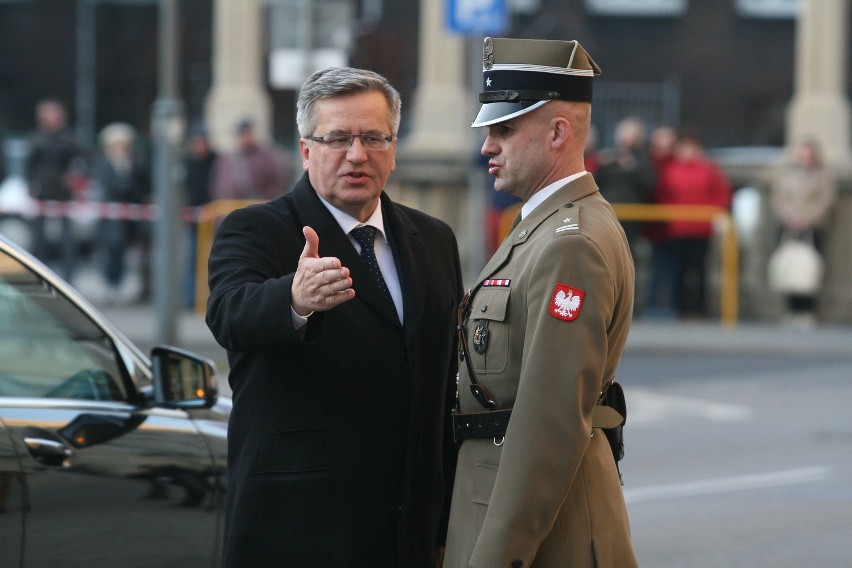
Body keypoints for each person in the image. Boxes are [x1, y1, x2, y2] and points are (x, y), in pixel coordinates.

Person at [205, 67, 463, 567]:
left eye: (373, 137)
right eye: (338, 138)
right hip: (300, 525)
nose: (357, 155)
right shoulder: (257, 228)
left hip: (407, 526)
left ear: (393, 145)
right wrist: (294, 298)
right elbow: (229, 314)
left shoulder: (433, 239)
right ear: (306, 151)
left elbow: (443, 385)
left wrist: (445, 523)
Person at [443, 37, 638, 568]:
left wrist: (498, 556)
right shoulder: (544, 225)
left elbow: (549, 420)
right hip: (512, 512)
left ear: (558, 133)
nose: (487, 146)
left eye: (504, 130)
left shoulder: (569, 241)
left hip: (546, 536)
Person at [652, 130, 732, 319]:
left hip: (701, 228)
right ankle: (679, 308)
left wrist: (711, 212)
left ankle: (699, 310)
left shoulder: (708, 169)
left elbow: (721, 194)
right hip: (678, 228)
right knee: (678, 270)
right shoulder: (670, 170)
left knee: (699, 271)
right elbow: (663, 195)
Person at [769, 137, 836, 326]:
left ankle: (807, 310)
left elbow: (825, 199)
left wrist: (807, 218)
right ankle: (792, 308)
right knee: (789, 266)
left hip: (813, 225)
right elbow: (779, 197)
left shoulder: (823, 174)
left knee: (809, 268)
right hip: (788, 224)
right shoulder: (787, 173)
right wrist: (790, 217)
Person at [25, 98, 86, 282]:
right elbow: (29, 167)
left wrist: (74, 178)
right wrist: (31, 185)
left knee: (67, 240)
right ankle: (40, 274)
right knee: (38, 239)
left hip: (63, 194)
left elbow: (82, 162)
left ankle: (68, 278)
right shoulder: (36, 138)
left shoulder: (68, 139)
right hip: (42, 193)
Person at [91, 122, 150, 304]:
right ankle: (111, 284)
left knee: (128, 254)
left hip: (129, 218)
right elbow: (110, 187)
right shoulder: (103, 163)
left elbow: (139, 185)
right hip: (111, 218)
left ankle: (122, 285)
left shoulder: (134, 162)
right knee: (111, 252)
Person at [595, 115, 656, 260]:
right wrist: (603, 164)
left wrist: (632, 166)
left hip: (632, 217)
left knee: (628, 256)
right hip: (607, 213)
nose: (626, 138)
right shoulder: (608, 158)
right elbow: (595, 182)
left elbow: (650, 185)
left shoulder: (644, 160)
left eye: (632, 134)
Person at [210, 117, 290, 201]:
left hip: (259, 206)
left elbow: (279, 181)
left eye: (247, 133)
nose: (245, 137)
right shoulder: (228, 158)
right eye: (242, 134)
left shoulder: (267, 156)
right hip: (231, 208)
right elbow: (219, 184)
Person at [182, 123, 217, 308]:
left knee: (211, 259)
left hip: (214, 217)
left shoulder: (216, 161)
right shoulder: (187, 162)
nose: (199, 146)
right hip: (193, 220)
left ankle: (207, 297)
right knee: (192, 260)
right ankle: (190, 299)